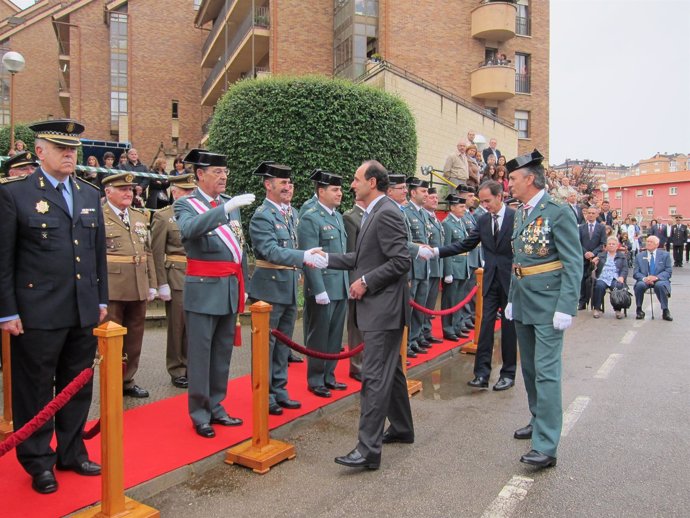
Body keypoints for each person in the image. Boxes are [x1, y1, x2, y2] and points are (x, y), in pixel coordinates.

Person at [0, 119, 107, 494]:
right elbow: (4, 258)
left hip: (81, 309)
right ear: (39, 151)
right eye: (60, 148)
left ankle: (72, 451)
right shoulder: (16, 194)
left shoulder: (89, 193)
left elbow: (96, 255)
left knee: (77, 386)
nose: (68, 154)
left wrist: (101, 300)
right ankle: (38, 461)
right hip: (37, 311)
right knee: (36, 388)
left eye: (73, 149)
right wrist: (7, 311)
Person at [325, 160, 414, 470]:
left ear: (373, 183)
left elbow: (401, 261)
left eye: (356, 179)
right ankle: (402, 428)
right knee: (392, 372)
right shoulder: (376, 211)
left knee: (374, 377)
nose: (352, 184)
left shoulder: (386, 212)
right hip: (382, 309)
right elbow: (362, 258)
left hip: (383, 309)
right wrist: (325, 259)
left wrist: (366, 282)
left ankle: (368, 450)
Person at [505, 149, 581, 469]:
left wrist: (567, 306)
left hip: (550, 305)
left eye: (513, 178)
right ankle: (539, 420)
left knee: (547, 374)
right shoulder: (522, 211)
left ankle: (546, 445)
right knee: (532, 370)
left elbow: (573, 262)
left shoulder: (558, 211)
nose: (508, 184)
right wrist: (511, 297)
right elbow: (519, 261)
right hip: (524, 301)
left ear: (530, 179)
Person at [173, 150, 255, 438]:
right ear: (200, 175)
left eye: (225, 172)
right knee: (200, 355)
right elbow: (189, 230)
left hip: (230, 288)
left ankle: (217, 405)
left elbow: (239, 248)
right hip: (203, 290)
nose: (223, 177)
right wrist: (222, 210)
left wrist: (244, 283)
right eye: (217, 172)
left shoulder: (229, 204)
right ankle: (199, 413)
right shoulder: (186, 204)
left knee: (221, 354)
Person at [248, 161, 324, 416]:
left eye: (290, 183)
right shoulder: (262, 215)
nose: (288, 188)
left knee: (283, 346)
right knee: (266, 346)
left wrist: (300, 267)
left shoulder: (290, 213)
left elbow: (289, 246)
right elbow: (270, 251)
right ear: (268, 185)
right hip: (269, 289)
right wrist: (304, 257)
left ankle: (280, 390)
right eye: (282, 183)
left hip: (289, 287)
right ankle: (265, 393)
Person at [430, 180, 517, 391]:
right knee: (485, 327)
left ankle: (508, 373)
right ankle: (481, 374)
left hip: (511, 282)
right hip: (489, 281)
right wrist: (437, 252)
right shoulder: (484, 220)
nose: (484, 205)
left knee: (508, 328)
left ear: (500, 196)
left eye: (488, 201)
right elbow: (466, 244)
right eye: (482, 201)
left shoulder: (516, 218)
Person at [102, 172, 158, 398]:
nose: (128, 193)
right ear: (108, 192)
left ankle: (127, 379)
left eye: (130, 189)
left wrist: (152, 283)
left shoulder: (138, 216)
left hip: (138, 284)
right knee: (112, 338)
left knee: (135, 337)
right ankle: (111, 380)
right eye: (122, 189)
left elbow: (148, 251)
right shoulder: (98, 214)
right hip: (112, 285)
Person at [297, 171, 349, 398]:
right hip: (323, 288)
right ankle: (316, 379)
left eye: (340, 189)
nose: (340, 193)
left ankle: (330, 375)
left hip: (341, 286)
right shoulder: (310, 217)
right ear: (321, 191)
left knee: (335, 336)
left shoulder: (337, 217)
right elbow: (309, 257)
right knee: (318, 336)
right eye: (334, 189)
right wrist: (318, 289)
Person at [151, 173, 196, 389]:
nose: (188, 194)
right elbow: (156, 252)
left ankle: (191, 365)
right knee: (178, 326)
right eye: (184, 191)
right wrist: (161, 283)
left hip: (198, 274)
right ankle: (177, 368)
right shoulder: (164, 216)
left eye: (191, 191)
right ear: (174, 192)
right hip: (176, 275)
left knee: (194, 325)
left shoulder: (198, 213)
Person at [403, 177, 431, 354]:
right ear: (413, 193)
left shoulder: (423, 213)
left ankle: (415, 338)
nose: (427, 194)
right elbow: (407, 242)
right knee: (411, 305)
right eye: (423, 191)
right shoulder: (406, 211)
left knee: (421, 304)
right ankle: (406, 343)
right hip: (413, 265)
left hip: (424, 264)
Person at [440, 193, 471, 341]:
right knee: (450, 300)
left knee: (459, 299)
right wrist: (447, 271)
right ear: (452, 207)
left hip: (463, 266)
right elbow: (446, 248)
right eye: (461, 206)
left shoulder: (460, 222)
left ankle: (457, 326)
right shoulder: (447, 223)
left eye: (464, 206)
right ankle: (448, 328)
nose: (464, 209)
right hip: (453, 266)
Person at [342, 198, 366, 381]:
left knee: (367, 324)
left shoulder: (371, 215)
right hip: (357, 278)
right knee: (356, 326)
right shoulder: (351, 218)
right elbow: (351, 254)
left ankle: (367, 362)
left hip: (370, 277)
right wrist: (354, 283)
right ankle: (357, 366)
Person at [421, 187, 445, 345]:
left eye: (436, 198)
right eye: (432, 197)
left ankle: (426, 331)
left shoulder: (435, 218)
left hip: (437, 266)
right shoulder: (423, 217)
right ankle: (418, 335)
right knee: (421, 304)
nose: (435, 200)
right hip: (426, 266)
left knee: (429, 304)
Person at [633, 235, 673, 321]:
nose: (648, 243)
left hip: (659, 279)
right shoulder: (639, 256)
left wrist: (656, 277)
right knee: (640, 285)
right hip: (645, 279)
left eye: (651, 242)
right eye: (647, 241)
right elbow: (636, 273)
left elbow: (668, 271)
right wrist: (645, 278)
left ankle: (665, 310)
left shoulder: (665, 255)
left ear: (657, 244)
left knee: (660, 286)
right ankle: (639, 309)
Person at [591, 236, 629, 319]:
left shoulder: (622, 256)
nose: (611, 245)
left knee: (618, 286)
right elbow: (593, 269)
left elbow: (625, 269)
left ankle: (618, 310)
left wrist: (622, 277)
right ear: (606, 246)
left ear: (617, 246)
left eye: (613, 244)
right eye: (609, 244)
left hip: (615, 277)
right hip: (603, 277)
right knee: (599, 286)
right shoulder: (601, 255)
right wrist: (594, 264)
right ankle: (597, 308)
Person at [577, 206, 607, 310]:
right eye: (589, 213)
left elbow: (603, 243)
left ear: (597, 215)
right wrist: (585, 253)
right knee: (582, 280)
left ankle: (595, 303)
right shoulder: (581, 228)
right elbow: (577, 243)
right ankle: (582, 301)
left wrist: (593, 253)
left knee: (594, 280)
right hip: (583, 257)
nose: (590, 215)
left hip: (596, 258)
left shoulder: (601, 228)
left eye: (593, 213)